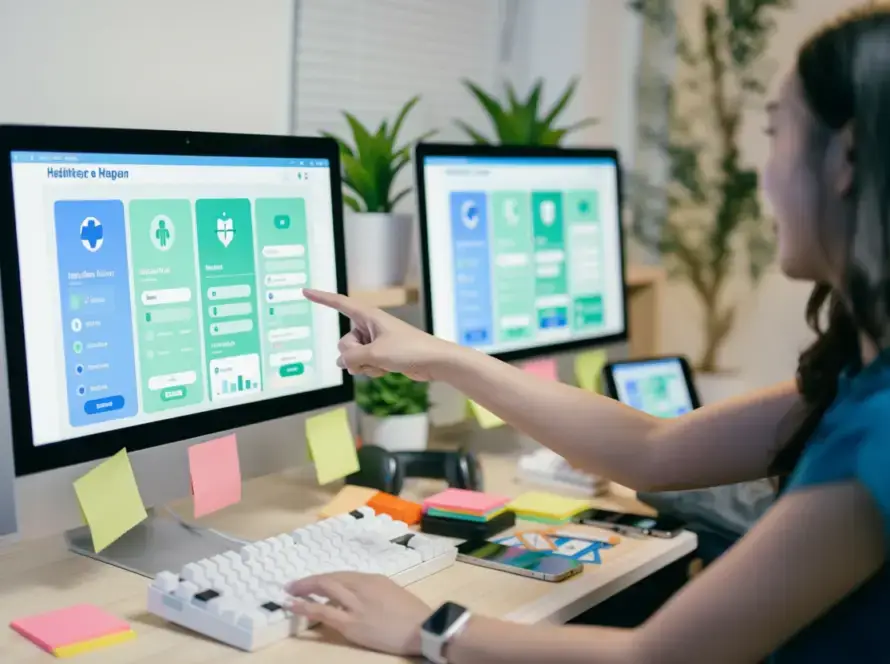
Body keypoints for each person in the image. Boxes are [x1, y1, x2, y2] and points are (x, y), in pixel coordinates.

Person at [288, 7, 890, 663]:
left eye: (776, 134)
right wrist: (440, 357)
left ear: (846, 160)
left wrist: (427, 629)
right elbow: (652, 449)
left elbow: (659, 658)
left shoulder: (878, 435)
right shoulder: (860, 382)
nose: (762, 173)